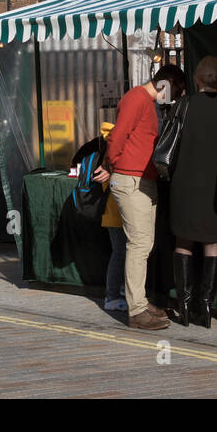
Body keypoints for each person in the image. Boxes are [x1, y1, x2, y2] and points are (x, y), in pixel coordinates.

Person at [93, 64, 186, 331]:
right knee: (139, 244)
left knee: (143, 243)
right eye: (176, 91)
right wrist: (112, 165)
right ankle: (137, 310)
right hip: (131, 178)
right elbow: (118, 136)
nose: (176, 97)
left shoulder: (147, 101)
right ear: (166, 83)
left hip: (140, 178)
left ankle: (140, 303)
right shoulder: (137, 98)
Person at [168, 56, 217, 327]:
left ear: (197, 79)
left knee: (184, 242)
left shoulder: (183, 106)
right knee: (213, 243)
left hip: (184, 184)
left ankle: (185, 307)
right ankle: (206, 306)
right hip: (216, 187)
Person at [72, 123, 125, 312]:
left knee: (121, 253)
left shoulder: (104, 142)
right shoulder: (115, 146)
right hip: (116, 210)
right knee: (120, 253)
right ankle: (113, 295)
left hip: (111, 211)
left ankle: (119, 291)